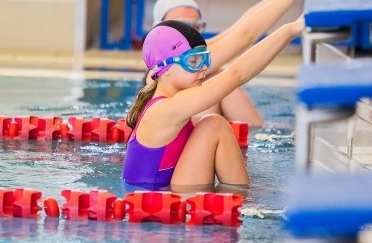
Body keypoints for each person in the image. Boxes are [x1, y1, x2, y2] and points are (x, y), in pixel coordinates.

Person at [122, 17, 304, 191]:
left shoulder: (170, 103)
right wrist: (290, 30)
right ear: (165, 68)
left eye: (204, 59)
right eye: (193, 61)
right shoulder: (164, 110)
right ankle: (243, 201)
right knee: (213, 125)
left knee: (212, 123)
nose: (203, 68)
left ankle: (240, 197)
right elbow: (236, 75)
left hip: (167, 199)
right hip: (158, 208)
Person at [149, 0, 308, 127]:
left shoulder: (194, 59)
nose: (189, 33)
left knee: (219, 76)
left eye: (195, 27)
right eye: (180, 26)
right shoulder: (162, 69)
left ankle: (264, 131)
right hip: (189, 135)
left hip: (210, 133)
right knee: (223, 80)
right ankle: (263, 133)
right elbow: (246, 35)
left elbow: (243, 24)